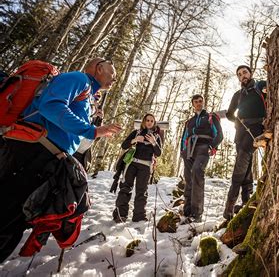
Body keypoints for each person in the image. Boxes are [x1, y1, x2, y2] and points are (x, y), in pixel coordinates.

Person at [0, 58, 121, 263]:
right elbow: (51, 106)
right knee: (6, 214)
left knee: (15, 220)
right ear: (99, 68)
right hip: (30, 152)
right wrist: (91, 129)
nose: (115, 79)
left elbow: (77, 141)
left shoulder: (88, 96)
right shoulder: (79, 79)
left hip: (44, 157)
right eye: (113, 73)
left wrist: (92, 129)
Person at [223, 65, 266, 220]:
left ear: (250, 73)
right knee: (246, 167)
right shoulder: (237, 95)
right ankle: (246, 201)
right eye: (239, 74)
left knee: (240, 165)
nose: (243, 76)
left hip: (256, 129)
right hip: (240, 133)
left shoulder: (260, 86)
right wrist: (237, 121)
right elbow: (229, 114)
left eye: (245, 73)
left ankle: (228, 208)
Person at [180, 94, 223, 222]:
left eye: (200, 101)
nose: (199, 103)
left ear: (203, 103)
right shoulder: (189, 122)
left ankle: (196, 213)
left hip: (203, 147)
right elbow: (184, 138)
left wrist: (212, 146)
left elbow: (219, 134)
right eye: (196, 102)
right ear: (193, 104)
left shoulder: (211, 117)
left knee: (197, 172)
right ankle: (187, 211)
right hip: (189, 150)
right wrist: (183, 152)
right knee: (188, 178)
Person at [112, 113, 162, 223]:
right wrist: (134, 140)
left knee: (142, 191)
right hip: (131, 164)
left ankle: (139, 217)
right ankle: (120, 214)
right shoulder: (136, 132)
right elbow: (124, 145)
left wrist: (154, 143)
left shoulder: (156, 137)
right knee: (125, 188)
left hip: (145, 166)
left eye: (151, 121)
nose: (149, 122)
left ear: (154, 123)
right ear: (144, 122)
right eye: (147, 120)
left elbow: (158, 153)